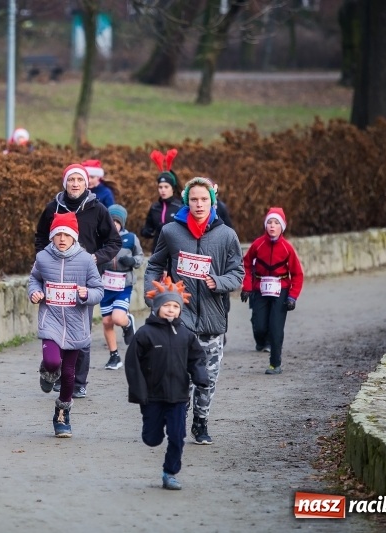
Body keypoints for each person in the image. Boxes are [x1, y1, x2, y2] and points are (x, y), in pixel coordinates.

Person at [144, 176, 244, 445]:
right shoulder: (171, 232)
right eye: (194, 199)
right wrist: (153, 296)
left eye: (204, 200)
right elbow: (154, 265)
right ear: (187, 201)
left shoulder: (226, 235)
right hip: (181, 317)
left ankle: (201, 421)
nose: (199, 204)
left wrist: (219, 282)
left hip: (212, 318)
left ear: (212, 201)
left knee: (206, 378)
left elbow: (238, 273)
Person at [34, 163, 122, 398]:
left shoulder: (98, 209)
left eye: (79, 180)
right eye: (71, 180)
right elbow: (41, 236)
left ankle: (78, 382)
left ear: (86, 183)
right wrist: (44, 260)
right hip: (54, 278)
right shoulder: (52, 207)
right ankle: (52, 368)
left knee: (80, 330)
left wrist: (96, 258)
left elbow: (114, 242)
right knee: (54, 328)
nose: (75, 184)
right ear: (65, 183)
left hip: (84, 279)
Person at [125, 277, 208, 490]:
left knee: (177, 436)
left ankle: (170, 472)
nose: (171, 310)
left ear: (180, 309)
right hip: (152, 396)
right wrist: (138, 391)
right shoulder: (145, 334)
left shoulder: (186, 335)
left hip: (178, 396)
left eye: (175, 306)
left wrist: (200, 376)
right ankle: (152, 431)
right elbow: (133, 364)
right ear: (157, 307)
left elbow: (197, 357)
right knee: (152, 438)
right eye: (166, 305)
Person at [29, 212, 104, 437]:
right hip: (50, 319)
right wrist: (35, 292)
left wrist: (86, 294)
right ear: (52, 236)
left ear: (75, 237)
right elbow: (34, 279)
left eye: (67, 234)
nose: (62, 239)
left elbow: (99, 290)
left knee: (69, 373)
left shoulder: (86, 260)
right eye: (58, 234)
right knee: (52, 361)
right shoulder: (43, 258)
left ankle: (62, 413)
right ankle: (48, 371)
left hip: (75, 323)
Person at [240, 207, 304, 374]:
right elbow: (246, 264)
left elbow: (297, 274)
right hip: (260, 289)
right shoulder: (258, 244)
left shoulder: (287, 248)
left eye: (276, 223)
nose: (272, 226)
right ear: (265, 225)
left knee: (276, 328)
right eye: (269, 222)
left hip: (281, 290)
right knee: (260, 326)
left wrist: (292, 297)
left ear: (282, 227)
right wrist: (247, 287)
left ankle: (275, 364)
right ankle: (261, 341)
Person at [99, 203, 143, 370]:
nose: (114, 224)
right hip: (105, 285)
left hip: (123, 284)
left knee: (117, 318)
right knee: (106, 321)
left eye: (117, 221)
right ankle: (114, 356)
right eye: (111, 221)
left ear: (122, 223)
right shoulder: (101, 238)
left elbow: (140, 257)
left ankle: (127, 323)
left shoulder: (130, 238)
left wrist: (132, 261)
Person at [141, 149, 184, 252]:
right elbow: (147, 228)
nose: (163, 190)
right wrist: (147, 232)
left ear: (173, 188)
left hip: (175, 251)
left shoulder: (180, 206)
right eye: (160, 187)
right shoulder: (154, 207)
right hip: (157, 251)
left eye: (166, 187)